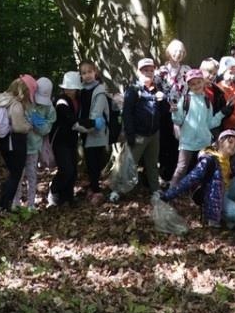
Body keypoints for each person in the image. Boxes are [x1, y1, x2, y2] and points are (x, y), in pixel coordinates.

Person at [159, 130, 235, 235]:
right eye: (230, 141)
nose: (233, 146)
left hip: (228, 192)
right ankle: (222, 218)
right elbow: (191, 178)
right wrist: (168, 195)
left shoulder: (231, 162)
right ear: (220, 142)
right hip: (214, 197)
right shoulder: (209, 159)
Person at [118, 57, 168, 198]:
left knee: (152, 164)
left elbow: (164, 112)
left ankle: (155, 190)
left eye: (151, 70)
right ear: (139, 72)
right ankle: (119, 190)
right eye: (145, 70)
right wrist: (130, 134)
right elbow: (126, 113)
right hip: (138, 134)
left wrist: (163, 100)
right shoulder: (134, 90)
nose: (148, 73)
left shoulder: (157, 89)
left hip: (154, 134)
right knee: (130, 163)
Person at [171, 68, 228, 185]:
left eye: (198, 82)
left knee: (202, 169)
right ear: (188, 86)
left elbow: (210, 123)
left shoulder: (207, 101)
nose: (196, 86)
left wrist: (222, 113)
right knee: (181, 168)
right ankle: (171, 191)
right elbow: (178, 120)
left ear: (203, 82)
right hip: (187, 141)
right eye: (192, 84)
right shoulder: (185, 99)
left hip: (203, 142)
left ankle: (197, 193)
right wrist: (175, 111)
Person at [0, 74, 36, 212]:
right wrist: (29, 126)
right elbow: (18, 127)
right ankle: (3, 205)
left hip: (3, 140)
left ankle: (3, 203)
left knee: (12, 173)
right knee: (16, 175)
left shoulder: (0, 99)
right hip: (15, 142)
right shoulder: (16, 105)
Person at [16, 76, 56, 209]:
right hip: (20, 146)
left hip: (34, 147)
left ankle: (31, 204)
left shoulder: (49, 109)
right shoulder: (26, 102)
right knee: (18, 175)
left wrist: (39, 125)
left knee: (32, 175)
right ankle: (15, 203)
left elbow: (47, 129)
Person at [156, 39, 190, 182]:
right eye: (175, 50)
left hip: (182, 112)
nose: (178, 54)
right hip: (165, 112)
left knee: (178, 144)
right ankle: (163, 175)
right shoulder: (161, 71)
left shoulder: (187, 70)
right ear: (169, 52)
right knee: (164, 142)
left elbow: (190, 90)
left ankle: (175, 176)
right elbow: (158, 90)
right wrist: (168, 103)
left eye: (181, 51)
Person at [77, 59, 110, 204]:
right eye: (84, 73)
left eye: (90, 72)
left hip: (96, 131)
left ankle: (96, 190)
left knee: (96, 160)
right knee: (90, 161)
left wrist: (85, 125)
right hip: (84, 130)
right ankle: (94, 186)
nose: (87, 75)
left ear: (95, 72)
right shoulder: (80, 90)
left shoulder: (99, 91)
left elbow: (96, 114)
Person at [48, 71, 82, 207]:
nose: (69, 90)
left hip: (71, 140)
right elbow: (71, 120)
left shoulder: (77, 100)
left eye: (72, 88)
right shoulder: (61, 101)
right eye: (67, 88)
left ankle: (68, 197)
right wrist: (90, 123)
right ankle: (54, 191)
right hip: (59, 140)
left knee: (73, 170)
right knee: (66, 169)